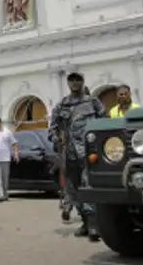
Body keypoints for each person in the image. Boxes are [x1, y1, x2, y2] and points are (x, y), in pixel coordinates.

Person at [48, 72, 103, 241]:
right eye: (71, 80)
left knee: (88, 185)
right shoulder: (61, 105)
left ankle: (94, 224)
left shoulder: (92, 103)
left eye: (78, 80)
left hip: (88, 152)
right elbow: (52, 129)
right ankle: (85, 223)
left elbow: (104, 122)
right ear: (68, 83)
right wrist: (57, 139)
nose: (75, 83)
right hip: (69, 154)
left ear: (83, 82)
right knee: (74, 189)